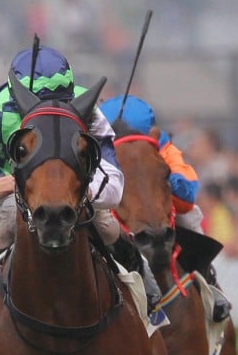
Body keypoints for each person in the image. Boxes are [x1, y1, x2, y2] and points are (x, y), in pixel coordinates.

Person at [0, 45, 159, 317]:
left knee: (106, 224)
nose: (52, 112)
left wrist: (78, 190)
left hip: (76, 191)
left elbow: (114, 186)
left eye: (61, 101)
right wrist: (4, 185)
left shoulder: (88, 109)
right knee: (9, 220)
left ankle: (141, 275)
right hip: (21, 191)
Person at [98, 94, 231, 321]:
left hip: (159, 210)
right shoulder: (99, 152)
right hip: (113, 211)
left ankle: (207, 282)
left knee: (190, 216)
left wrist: (169, 181)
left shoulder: (164, 148)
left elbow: (188, 193)